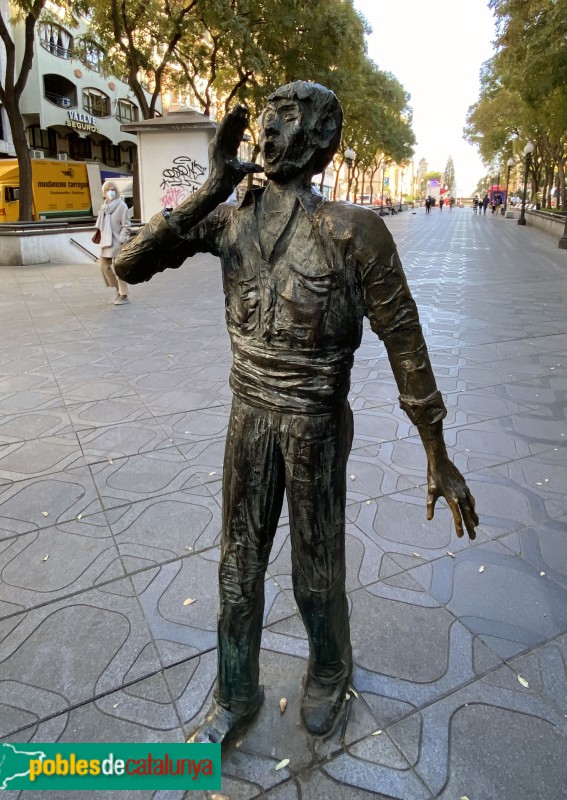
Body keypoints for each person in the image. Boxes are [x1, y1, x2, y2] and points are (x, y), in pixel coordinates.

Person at [115, 82, 478, 747]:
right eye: (268, 119)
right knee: (237, 570)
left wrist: (437, 452)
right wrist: (211, 187)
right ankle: (236, 692)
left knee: (316, 571)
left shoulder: (353, 231)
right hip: (248, 415)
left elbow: (405, 341)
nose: (270, 131)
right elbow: (128, 264)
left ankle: (331, 669)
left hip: (315, 420)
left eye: (287, 118)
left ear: (320, 140)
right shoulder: (230, 221)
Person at [94, 181, 132, 305]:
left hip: (117, 242)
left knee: (119, 269)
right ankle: (118, 289)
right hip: (106, 242)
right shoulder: (104, 206)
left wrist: (121, 240)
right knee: (103, 266)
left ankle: (124, 295)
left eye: (113, 189)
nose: (111, 192)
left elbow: (126, 225)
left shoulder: (121, 206)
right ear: (104, 192)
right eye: (108, 189)